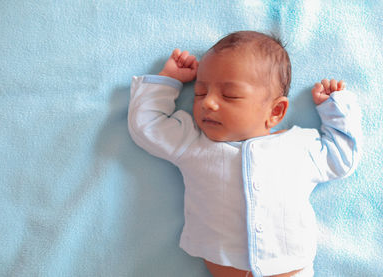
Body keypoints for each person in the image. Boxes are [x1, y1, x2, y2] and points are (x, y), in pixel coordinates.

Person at [127, 31, 361, 277]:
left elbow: (342, 158)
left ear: (276, 111)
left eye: (229, 95)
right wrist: (168, 80)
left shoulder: (298, 146)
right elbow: (147, 127)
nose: (208, 103)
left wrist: (336, 109)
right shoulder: (193, 143)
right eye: (200, 93)